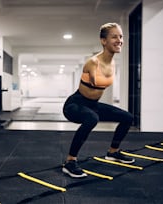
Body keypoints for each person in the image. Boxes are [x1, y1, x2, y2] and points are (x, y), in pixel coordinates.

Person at [62, 23, 134, 178]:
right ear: (103, 41)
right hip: (74, 104)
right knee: (91, 119)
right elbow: (96, 83)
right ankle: (70, 161)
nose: (119, 40)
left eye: (121, 36)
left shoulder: (113, 62)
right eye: (114, 36)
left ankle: (113, 152)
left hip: (92, 105)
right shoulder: (93, 62)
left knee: (127, 117)